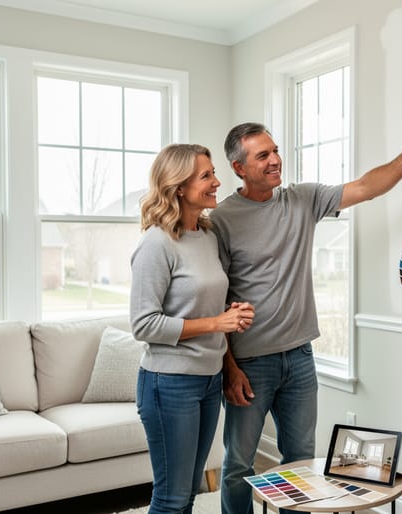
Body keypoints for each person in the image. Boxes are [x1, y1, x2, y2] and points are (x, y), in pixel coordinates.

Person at [212, 121, 402, 514]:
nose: (275, 160)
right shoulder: (222, 219)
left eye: (275, 150)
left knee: (301, 463)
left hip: (300, 360)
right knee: (239, 464)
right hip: (250, 364)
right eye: (262, 155)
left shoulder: (302, 199)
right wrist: (229, 368)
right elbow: (215, 301)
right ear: (239, 167)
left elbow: (366, 187)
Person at [130, 143, 256, 514]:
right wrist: (217, 322)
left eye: (214, 173)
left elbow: (203, 303)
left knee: (188, 494)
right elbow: (143, 324)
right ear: (179, 186)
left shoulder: (206, 236)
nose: (218, 181)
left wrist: (227, 314)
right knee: (170, 499)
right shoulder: (156, 244)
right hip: (169, 384)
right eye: (206, 176)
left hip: (208, 379)